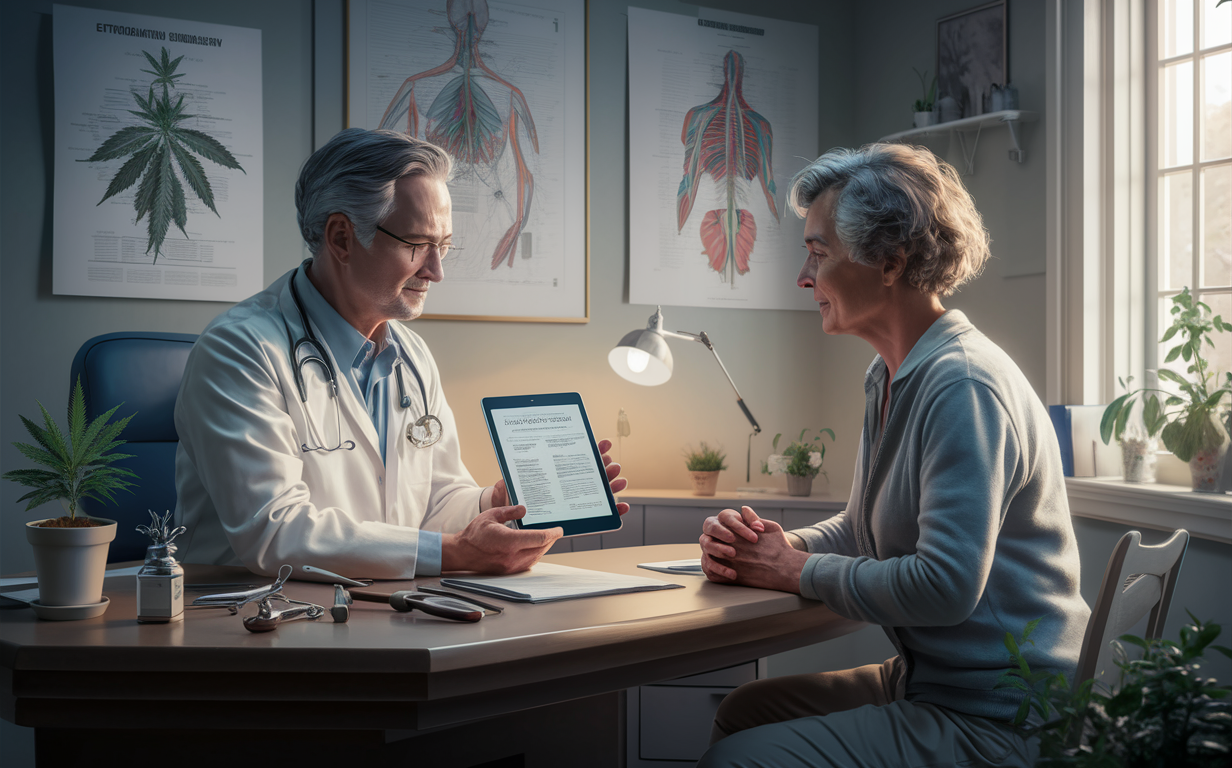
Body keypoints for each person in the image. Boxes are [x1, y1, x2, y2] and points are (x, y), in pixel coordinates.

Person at [696, 143, 1090, 768]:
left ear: (889, 262)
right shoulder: (892, 376)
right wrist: (775, 546)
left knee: (738, 759)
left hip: (1001, 713)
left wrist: (790, 572)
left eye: (818, 254)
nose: (804, 277)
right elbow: (859, 528)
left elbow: (944, 587)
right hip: (933, 681)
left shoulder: (961, 386)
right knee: (744, 712)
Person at [175, 128, 627, 578]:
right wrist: (459, 554)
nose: (436, 271)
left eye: (444, 247)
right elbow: (276, 534)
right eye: (418, 245)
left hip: (379, 608)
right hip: (253, 621)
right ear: (341, 238)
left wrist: (498, 502)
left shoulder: (410, 354)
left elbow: (437, 501)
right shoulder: (239, 351)